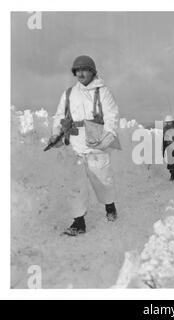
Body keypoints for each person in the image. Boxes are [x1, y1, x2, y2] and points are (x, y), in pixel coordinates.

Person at [48, 55, 120, 236]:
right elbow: (59, 115)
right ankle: (79, 222)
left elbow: (112, 115)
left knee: (102, 180)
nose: (80, 73)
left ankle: (110, 206)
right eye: (77, 70)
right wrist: (56, 133)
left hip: (96, 142)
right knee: (76, 185)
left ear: (92, 71)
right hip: (74, 145)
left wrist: (109, 134)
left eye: (84, 69)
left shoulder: (102, 91)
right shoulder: (69, 93)